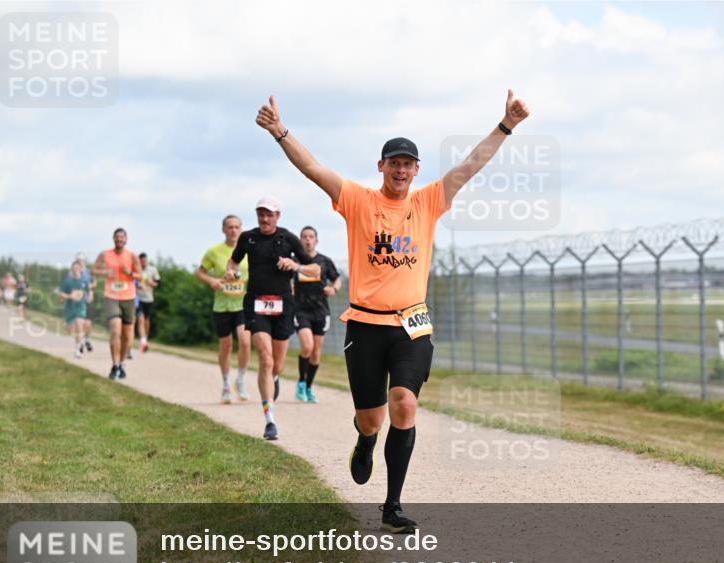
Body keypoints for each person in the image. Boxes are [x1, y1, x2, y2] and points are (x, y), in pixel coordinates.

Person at [255, 89, 530, 532]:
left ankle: (392, 506)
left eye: (408, 163)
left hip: (411, 325)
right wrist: (280, 132)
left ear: (416, 170)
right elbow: (313, 168)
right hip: (364, 325)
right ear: (381, 166)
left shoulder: (428, 202)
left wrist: (506, 126)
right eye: (394, 162)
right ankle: (365, 442)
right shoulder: (359, 201)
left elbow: (470, 166)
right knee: (372, 418)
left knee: (404, 405)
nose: (401, 169)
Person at [225, 198, 320, 440]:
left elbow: (315, 270)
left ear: (277, 216)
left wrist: (295, 265)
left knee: (277, 364)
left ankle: (275, 378)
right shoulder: (248, 238)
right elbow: (233, 261)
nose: (265, 219)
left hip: (283, 305)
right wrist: (231, 270)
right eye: (261, 214)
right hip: (256, 304)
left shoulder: (288, 238)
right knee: (265, 360)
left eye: (269, 214)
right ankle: (270, 420)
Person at [196, 214, 252, 403]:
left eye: (237, 227)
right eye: (230, 227)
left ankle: (241, 380)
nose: (234, 230)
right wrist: (212, 280)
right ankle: (226, 384)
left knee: (245, 342)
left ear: (241, 229)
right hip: (221, 306)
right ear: (223, 230)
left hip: (243, 305)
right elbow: (200, 273)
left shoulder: (248, 251)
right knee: (226, 345)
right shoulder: (214, 251)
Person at [293, 225, 341, 404]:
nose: (307, 240)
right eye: (304, 237)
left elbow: (336, 278)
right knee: (307, 346)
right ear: (300, 240)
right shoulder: (296, 261)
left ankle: (308, 388)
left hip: (321, 310)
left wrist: (333, 289)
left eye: (310, 236)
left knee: (316, 351)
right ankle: (301, 381)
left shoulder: (324, 261)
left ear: (316, 240)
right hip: (301, 309)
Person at [93, 228, 141, 380]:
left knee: (127, 335)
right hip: (111, 296)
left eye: (122, 237)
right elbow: (93, 270)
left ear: (126, 240)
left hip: (128, 297)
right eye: (117, 237)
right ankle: (114, 365)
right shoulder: (105, 254)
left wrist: (130, 274)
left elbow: (141, 275)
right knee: (115, 329)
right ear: (113, 239)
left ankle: (122, 364)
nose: (119, 239)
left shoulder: (132, 256)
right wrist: (104, 273)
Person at [56, 261, 91, 358]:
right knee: (71, 329)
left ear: (80, 269)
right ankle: (79, 342)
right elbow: (60, 295)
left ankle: (77, 349)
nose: (76, 270)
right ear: (71, 269)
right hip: (69, 308)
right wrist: (69, 296)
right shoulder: (67, 281)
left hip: (80, 307)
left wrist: (88, 298)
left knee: (79, 324)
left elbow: (88, 292)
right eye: (74, 268)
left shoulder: (85, 281)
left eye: (77, 268)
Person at [135, 252, 160, 353]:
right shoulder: (136, 269)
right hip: (137, 298)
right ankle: (143, 342)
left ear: (147, 260)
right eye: (141, 260)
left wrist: (150, 283)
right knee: (140, 319)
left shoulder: (152, 270)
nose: (143, 262)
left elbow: (158, 283)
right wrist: (138, 285)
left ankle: (145, 339)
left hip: (149, 298)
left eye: (144, 260)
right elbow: (132, 281)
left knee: (146, 320)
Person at [76, 253, 95, 352]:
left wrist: (90, 288)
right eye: (79, 260)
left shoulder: (89, 272)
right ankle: (81, 343)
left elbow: (94, 283)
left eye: (82, 260)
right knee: (80, 322)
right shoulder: (73, 272)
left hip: (88, 299)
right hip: (78, 301)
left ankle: (87, 339)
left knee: (88, 323)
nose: (81, 262)